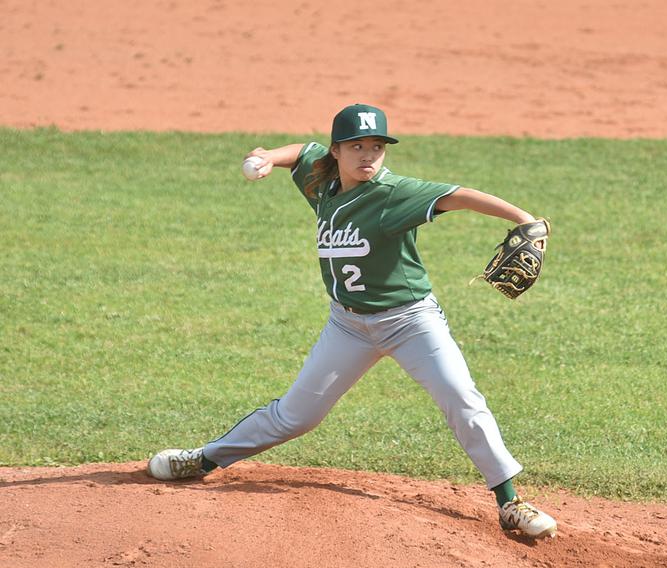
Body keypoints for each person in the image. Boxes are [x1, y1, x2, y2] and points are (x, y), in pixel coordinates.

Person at [147, 103, 557, 539]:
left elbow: (458, 195)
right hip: (347, 326)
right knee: (296, 416)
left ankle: (510, 501)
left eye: (377, 147)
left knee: (461, 398)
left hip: (411, 323)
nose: (368, 155)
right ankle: (205, 458)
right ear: (337, 151)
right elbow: (301, 151)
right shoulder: (322, 182)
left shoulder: (393, 193)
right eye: (357, 146)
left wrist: (523, 218)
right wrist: (268, 155)